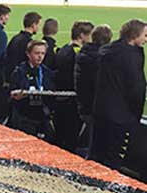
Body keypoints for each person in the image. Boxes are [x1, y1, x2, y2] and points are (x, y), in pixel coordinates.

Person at [93, 19, 146, 169]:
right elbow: (136, 88)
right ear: (135, 35)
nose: (146, 39)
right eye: (145, 35)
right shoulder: (131, 56)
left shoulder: (108, 51)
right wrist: (135, 115)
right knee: (113, 158)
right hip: (120, 116)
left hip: (101, 111)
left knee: (98, 154)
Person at [54, 20, 94, 151]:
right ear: (82, 35)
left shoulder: (62, 49)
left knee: (60, 138)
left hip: (60, 100)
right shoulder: (78, 54)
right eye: (90, 35)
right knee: (70, 140)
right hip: (72, 102)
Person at [75, 24, 112, 159]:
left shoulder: (83, 53)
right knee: (95, 146)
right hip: (96, 107)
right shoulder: (101, 59)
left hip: (84, 103)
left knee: (90, 139)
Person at [9, 40, 56, 139]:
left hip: (41, 116)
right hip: (24, 117)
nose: (40, 56)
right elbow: (11, 93)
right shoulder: (19, 71)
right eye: (37, 53)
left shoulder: (47, 72)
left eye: (43, 53)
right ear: (28, 54)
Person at [5, 12, 41, 80]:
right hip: (20, 78)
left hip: (9, 75)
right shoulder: (29, 42)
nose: (39, 28)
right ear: (33, 25)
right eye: (38, 25)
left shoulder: (15, 38)